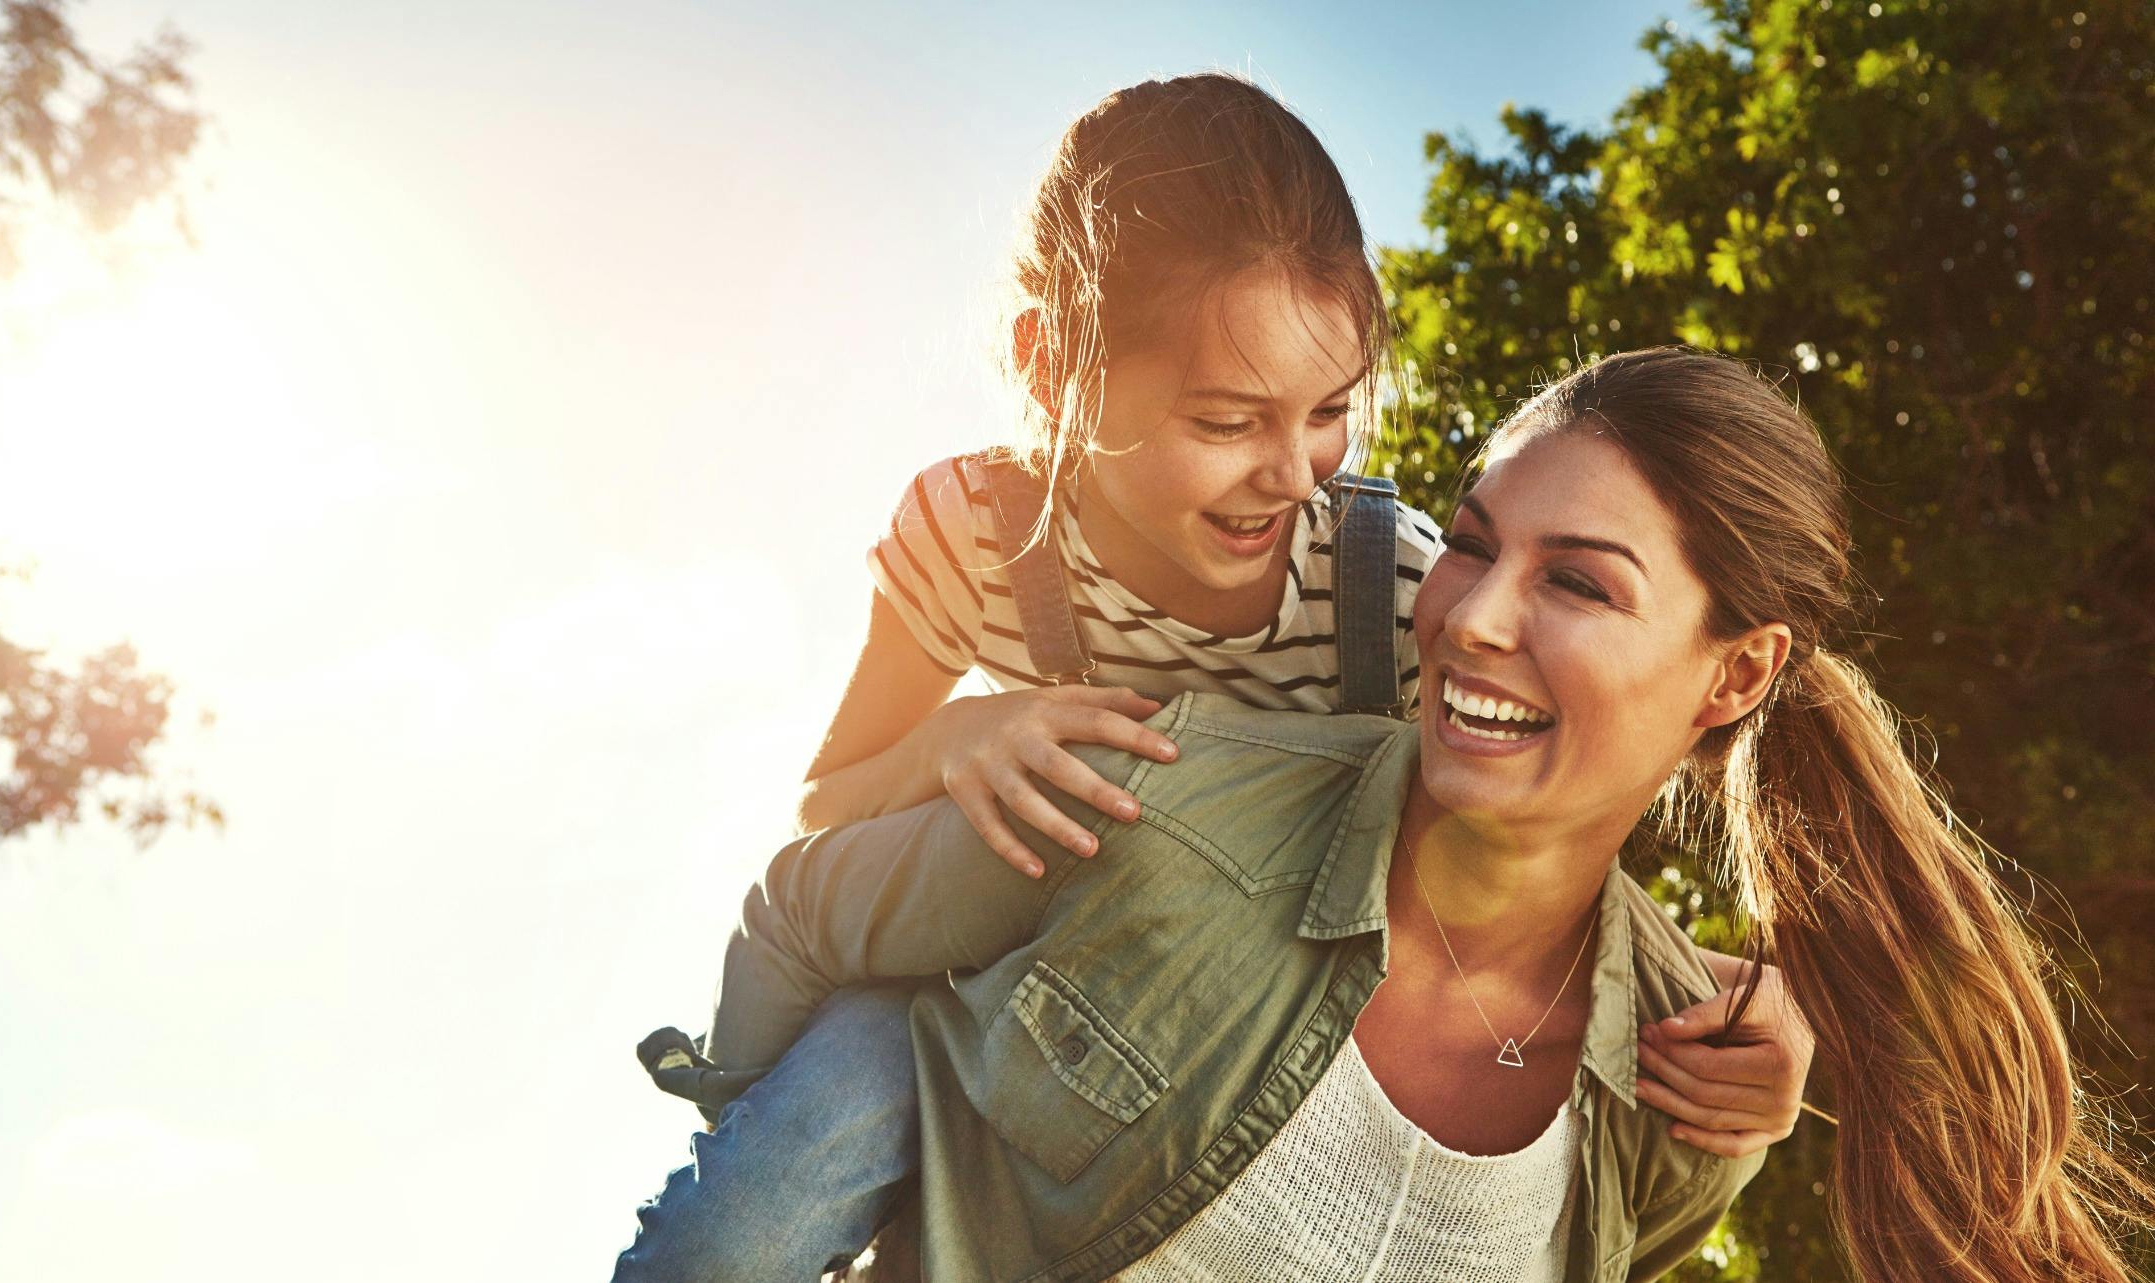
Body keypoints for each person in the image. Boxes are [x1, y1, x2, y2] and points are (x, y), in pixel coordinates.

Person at [613, 76, 1810, 1280]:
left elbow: (1501, 866)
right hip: (970, 971)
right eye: (1228, 420)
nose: (1292, 476)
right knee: (752, 1208)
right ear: (1052, 364)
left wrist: (1715, 997)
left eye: (1330, 413)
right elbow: (828, 802)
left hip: (1207, 1020)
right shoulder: (977, 533)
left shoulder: (1398, 594)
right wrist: (960, 736)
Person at [673, 347, 2154, 1283]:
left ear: (1737, 673)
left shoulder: (1691, 1080)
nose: (1476, 617)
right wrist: (760, 1143)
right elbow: (804, 906)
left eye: (1577, 581)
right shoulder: (1162, 794)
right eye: (1473, 544)